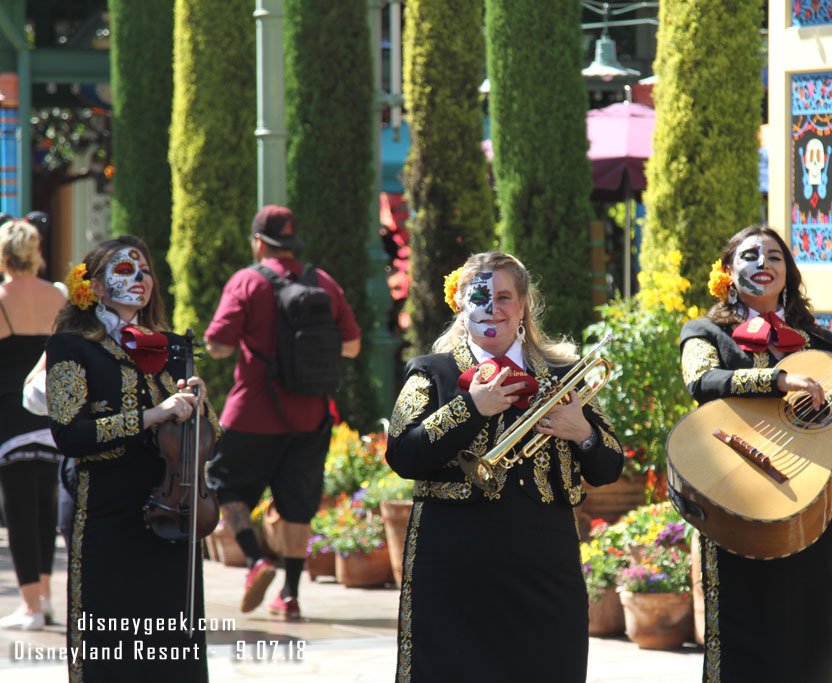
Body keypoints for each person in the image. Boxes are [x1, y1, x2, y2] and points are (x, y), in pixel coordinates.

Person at [678, 225, 832, 682]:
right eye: (750, 256)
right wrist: (777, 381)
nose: (763, 263)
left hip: (810, 502)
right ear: (728, 274)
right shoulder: (706, 332)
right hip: (736, 499)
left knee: (808, 637)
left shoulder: (818, 343)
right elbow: (700, 381)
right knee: (740, 632)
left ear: (787, 274)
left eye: (774, 257)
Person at [385, 252, 624, 682]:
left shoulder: (565, 373)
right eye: (479, 296)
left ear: (523, 306)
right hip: (453, 561)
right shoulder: (430, 372)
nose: (491, 307)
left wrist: (582, 432)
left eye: (504, 296)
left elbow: (608, 466)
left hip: (544, 564)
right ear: (461, 304)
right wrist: (470, 408)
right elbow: (402, 452)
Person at [46, 235, 217, 681]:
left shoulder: (174, 346)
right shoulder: (69, 347)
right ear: (96, 287)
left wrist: (201, 405)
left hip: (172, 508)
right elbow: (69, 435)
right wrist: (151, 416)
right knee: (109, 642)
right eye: (125, 271)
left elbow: (210, 438)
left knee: (172, 645)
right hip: (107, 509)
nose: (139, 280)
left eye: (144, 272)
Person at [204, 204, 361, 621]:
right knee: (298, 505)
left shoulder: (247, 281)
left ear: (258, 242)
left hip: (253, 413)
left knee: (223, 485)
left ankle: (256, 560)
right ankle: (290, 594)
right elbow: (352, 345)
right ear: (292, 241)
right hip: (311, 414)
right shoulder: (322, 282)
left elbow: (218, 344)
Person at [0, 219, 66, 631]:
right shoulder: (58, 296)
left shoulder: (1, 297)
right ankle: (45, 596)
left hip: (10, 416)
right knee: (45, 510)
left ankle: (30, 607)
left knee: (19, 510)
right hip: (52, 413)